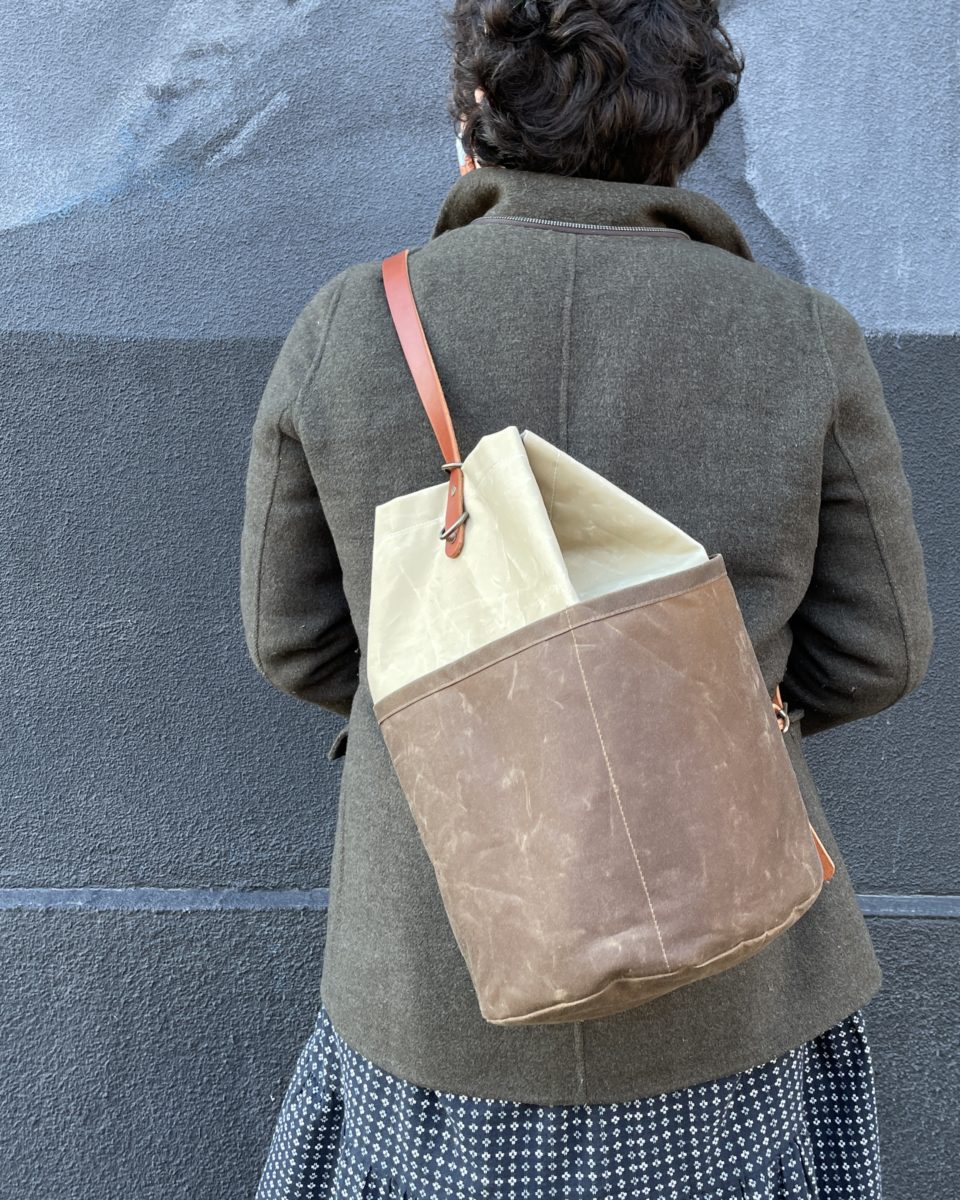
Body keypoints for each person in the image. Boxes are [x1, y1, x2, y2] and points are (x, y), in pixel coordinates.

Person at [240, 2, 934, 1197]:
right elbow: (879, 653)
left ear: (477, 108)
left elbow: (292, 639)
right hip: (724, 976)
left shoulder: (353, 324)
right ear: (690, 124)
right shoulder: (799, 337)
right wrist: (680, 719)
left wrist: (489, 726)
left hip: (436, 980)